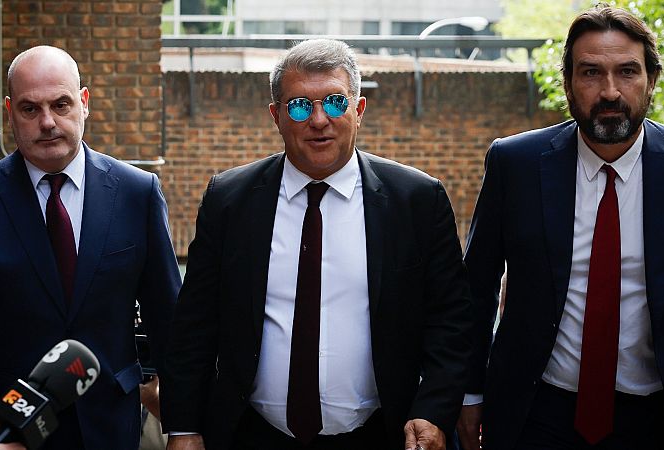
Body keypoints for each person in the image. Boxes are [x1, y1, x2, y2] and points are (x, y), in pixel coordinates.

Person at [162, 38, 473, 450]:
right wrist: (184, 427)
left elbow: (451, 320)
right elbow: (195, 324)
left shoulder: (416, 200)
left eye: (335, 102)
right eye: (299, 106)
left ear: (359, 109)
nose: (319, 119)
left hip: (379, 434)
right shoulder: (229, 200)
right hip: (252, 435)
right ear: (276, 116)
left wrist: (433, 410)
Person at [460, 5, 664, 450]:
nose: (610, 91)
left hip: (657, 417)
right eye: (591, 73)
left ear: (652, 80)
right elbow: (475, 288)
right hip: (534, 413)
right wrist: (468, 393)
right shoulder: (515, 164)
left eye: (628, 72)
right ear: (568, 83)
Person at [0, 45, 181, 450]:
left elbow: (169, 322)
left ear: (84, 102)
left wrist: (184, 428)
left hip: (107, 424)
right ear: (10, 112)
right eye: (30, 109)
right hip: (2, 428)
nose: (47, 122)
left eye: (61, 104)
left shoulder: (137, 192)